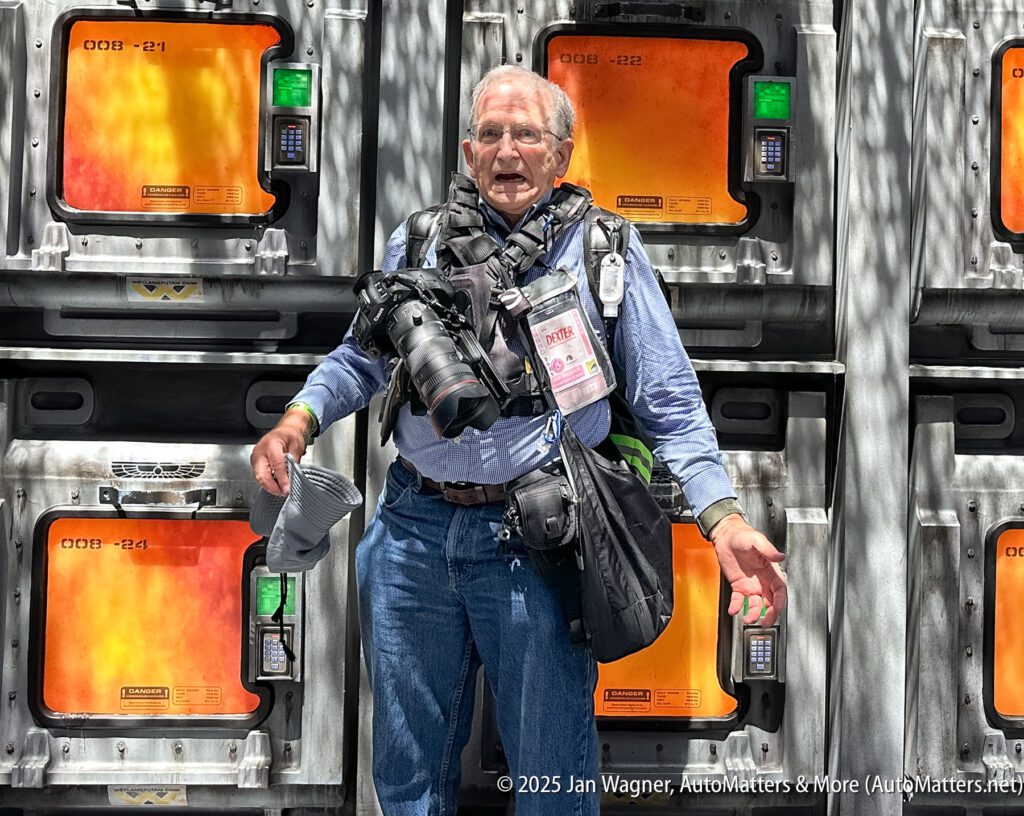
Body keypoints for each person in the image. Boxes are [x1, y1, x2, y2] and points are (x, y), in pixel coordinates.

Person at [251, 64, 788, 816]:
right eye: (492, 135)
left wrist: (722, 517)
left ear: (561, 154)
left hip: (538, 539)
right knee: (407, 774)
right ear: (469, 153)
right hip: (412, 530)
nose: (508, 151)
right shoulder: (420, 239)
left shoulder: (605, 251)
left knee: (551, 778)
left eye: (527, 135)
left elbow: (668, 400)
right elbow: (360, 359)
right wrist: (297, 421)